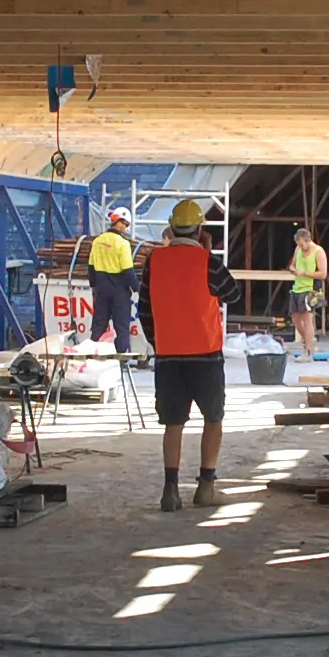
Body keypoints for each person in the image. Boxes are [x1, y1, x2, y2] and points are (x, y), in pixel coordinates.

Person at [136, 198, 242, 511]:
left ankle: (170, 491)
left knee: (173, 423)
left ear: (170, 229)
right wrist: (205, 252)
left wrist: (160, 343)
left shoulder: (153, 262)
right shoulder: (208, 262)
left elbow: (144, 311)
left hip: (169, 357)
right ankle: (205, 488)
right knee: (213, 418)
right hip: (205, 355)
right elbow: (232, 293)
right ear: (200, 231)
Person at [85, 207, 137, 358]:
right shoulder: (123, 244)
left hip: (102, 288)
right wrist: (138, 288)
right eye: (126, 225)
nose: (126, 228)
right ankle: (121, 359)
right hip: (119, 290)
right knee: (121, 326)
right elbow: (128, 270)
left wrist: (94, 286)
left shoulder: (97, 241)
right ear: (120, 223)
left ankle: (92, 356)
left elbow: (91, 267)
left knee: (98, 324)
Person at [286, 222, 328, 360]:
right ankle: (308, 340)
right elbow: (292, 266)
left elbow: (322, 274)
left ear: (308, 240)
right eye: (298, 244)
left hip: (310, 288)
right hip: (297, 287)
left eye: (302, 244)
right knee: (295, 319)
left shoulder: (318, 251)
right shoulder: (298, 250)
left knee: (307, 318)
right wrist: (294, 271)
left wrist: (305, 273)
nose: (300, 247)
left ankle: (308, 351)